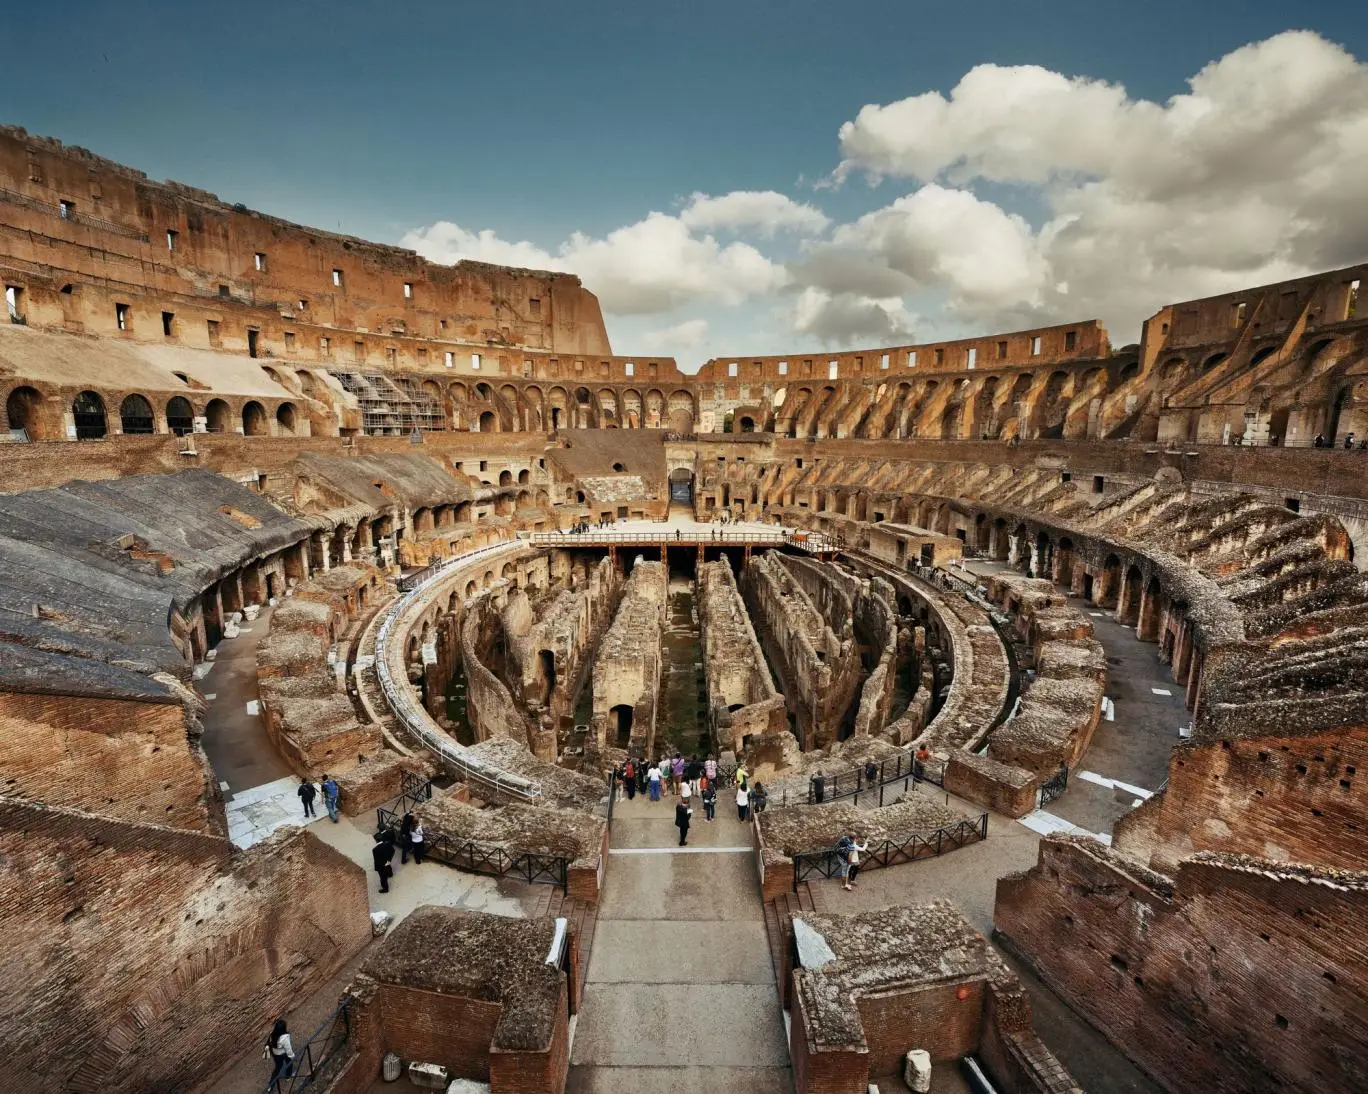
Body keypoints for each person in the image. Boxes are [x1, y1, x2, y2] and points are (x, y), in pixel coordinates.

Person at [265, 1018, 294, 1088]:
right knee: (289, 1063)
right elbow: (288, 1049)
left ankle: (271, 1085)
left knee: (277, 1068)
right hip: (283, 1054)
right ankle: (288, 1076)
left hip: (275, 1054)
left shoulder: (272, 1034)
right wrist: (292, 1056)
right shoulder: (285, 1038)